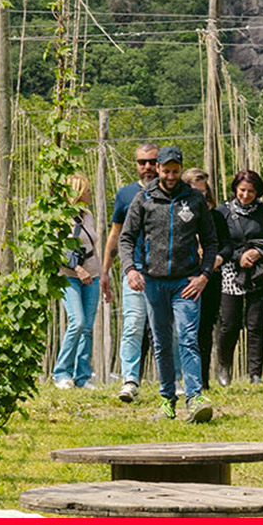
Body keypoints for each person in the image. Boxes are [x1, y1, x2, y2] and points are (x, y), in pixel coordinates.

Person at [119, 146, 218, 423]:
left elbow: (210, 242)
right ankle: (167, 400)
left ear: (181, 169)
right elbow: (126, 238)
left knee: (188, 339)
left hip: (186, 282)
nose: (171, 175)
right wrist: (130, 270)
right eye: (166, 171)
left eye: (175, 171)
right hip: (153, 282)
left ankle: (195, 398)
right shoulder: (144, 199)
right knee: (161, 342)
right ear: (159, 170)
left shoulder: (194, 200)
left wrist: (204, 275)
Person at [101, 142, 160, 403]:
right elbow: (116, 233)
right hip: (134, 271)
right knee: (133, 325)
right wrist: (105, 272)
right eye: (141, 162)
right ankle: (129, 381)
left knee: (167, 329)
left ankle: (178, 381)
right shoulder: (125, 195)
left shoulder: (174, 192)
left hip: (166, 273)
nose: (147, 167)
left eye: (151, 162)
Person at [216, 170, 263, 386]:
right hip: (231, 271)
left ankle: (255, 372)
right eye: (242, 190)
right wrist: (239, 256)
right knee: (229, 324)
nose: (246, 195)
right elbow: (220, 242)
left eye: (251, 191)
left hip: (258, 272)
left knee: (255, 323)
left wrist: (258, 253)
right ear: (235, 190)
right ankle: (224, 366)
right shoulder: (223, 212)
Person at [52, 174, 102, 389]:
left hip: (93, 274)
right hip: (69, 276)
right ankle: (61, 372)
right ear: (77, 192)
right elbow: (57, 250)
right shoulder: (60, 218)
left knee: (88, 327)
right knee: (77, 322)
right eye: (87, 190)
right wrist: (78, 269)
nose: (89, 194)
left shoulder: (88, 215)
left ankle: (82, 376)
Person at [183, 168, 231, 390]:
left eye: (203, 192)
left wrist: (217, 259)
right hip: (184, 277)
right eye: (195, 191)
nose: (200, 196)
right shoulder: (178, 213)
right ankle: (183, 378)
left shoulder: (216, 216)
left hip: (210, 278)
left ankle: (202, 380)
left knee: (205, 329)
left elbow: (228, 245)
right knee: (185, 329)